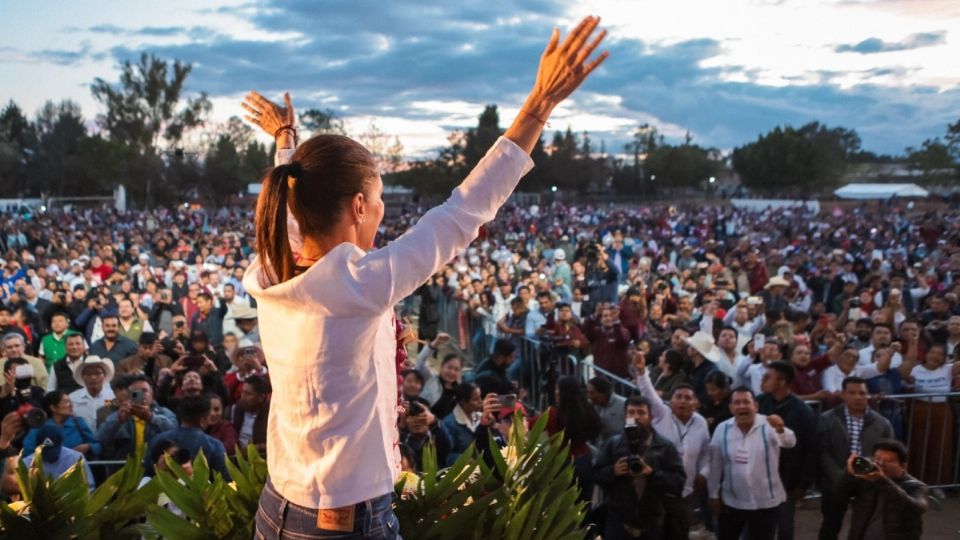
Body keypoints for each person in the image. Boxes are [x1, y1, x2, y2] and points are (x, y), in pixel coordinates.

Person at [242, 18, 607, 539]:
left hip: (278, 509)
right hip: (346, 524)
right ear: (359, 205)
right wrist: (539, 103)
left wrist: (286, 144)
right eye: (381, 199)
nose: (383, 214)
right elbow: (465, 210)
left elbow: (291, 216)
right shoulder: (361, 284)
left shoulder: (275, 269)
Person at [634, 353, 711, 538]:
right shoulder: (662, 413)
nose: (683, 401)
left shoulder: (701, 423)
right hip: (657, 489)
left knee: (679, 532)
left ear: (695, 403)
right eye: (679, 397)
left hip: (685, 493)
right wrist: (641, 372)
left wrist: (703, 473)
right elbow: (649, 394)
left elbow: (706, 454)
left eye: (688, 398)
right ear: (671, 400)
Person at [707, 387, 796, 540]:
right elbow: (715, 465)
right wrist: (713, 494)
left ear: (755, 406)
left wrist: (781, 429)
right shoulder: (722, 429)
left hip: (766, 501)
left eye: (746, 402)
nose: (742, 406)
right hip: (733, 501)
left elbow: (790, 442)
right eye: (737, 403)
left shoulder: (770, 424)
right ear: (730, 408)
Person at [594, 395, 686, 539]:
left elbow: (678, 482)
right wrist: (613, 471)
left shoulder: (665, 447)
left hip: (653, 525)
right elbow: (596, 475)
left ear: (650, 417)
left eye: (641, 413)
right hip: (618, 523)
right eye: (631, 412)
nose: (636, 417)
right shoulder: (612, 445)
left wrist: (652, 474)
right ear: (625, 416)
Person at [817, 376, 894, 540]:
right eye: (852, 393)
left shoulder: (882, 423)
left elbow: (889, 453)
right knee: (831, 524)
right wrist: (838, 477)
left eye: (862, 393)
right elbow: (823, 451)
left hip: (868, 480)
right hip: (836, 479)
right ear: (843, 395)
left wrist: (873, 474)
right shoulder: (827, 419)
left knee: (863, 524)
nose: (858, 397)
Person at [755, 360, 818, 540]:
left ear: (782, 381)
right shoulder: (758, 403)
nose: (763, 380)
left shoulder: (802, 411)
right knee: (757, 524)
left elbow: (811, 449)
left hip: (787, 479)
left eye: (768, 377)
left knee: (784, 525)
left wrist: (804, 483)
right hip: (759, 476)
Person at [845, 439, 929, 540]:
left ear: (903, 466)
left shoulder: (915, 486)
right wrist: (848, 473)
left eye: (888, 460)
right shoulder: (866, 480)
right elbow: (837, 496)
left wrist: (881, 480)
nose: (881, 463)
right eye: (877, 458)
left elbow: (916, 509)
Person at [534, 376, 601, 501]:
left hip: (563, 463)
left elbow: (528, 425)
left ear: (560, 392)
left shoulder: (554, 414)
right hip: (586, 459)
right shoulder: (587, 409)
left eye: (556, 389)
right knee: (584, 503)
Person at [149, 395, 230, 480]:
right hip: (202, 492)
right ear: (203, 420)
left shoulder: (157, 439)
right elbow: (225, 481)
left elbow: (147, 473)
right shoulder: (215, 446)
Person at [96, 375, 177, 460]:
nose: (140, 394)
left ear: (152, 395)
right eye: (135, 392)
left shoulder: (164, 413)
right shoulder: (119, 414)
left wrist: (151, 417)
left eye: (144, 391)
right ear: (129, 395)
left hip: (155, 468)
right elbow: (100, 438)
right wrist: (117, 421)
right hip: (124, 469)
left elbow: (175, 432)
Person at [22, 390, 101, 458]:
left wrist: (87, 447)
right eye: (66, 402)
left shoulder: (78, 423)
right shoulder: (40, 427)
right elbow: (28, 451)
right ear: (53, 407)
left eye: (70, 402)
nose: (71, 405)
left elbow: (97, 446)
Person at [21, 423, 95, 491]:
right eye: (45, 451)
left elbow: (89, 487)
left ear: (61, 444)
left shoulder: (76, 459)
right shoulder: (27, 464)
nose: (50, 456)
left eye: (52, 450)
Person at [414, 333, 464, 419]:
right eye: (449, 367)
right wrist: (436, 343)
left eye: (456, 370)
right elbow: (420, 361)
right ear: (441, 367)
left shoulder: (461, 392)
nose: (452, 372)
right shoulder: (430, 379)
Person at [440, 382, 486, 465]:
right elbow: (447, 455)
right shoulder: (449, 423)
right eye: (475, 399)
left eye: (480, 397)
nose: (480, 402)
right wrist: (465, 459)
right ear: (463, 402)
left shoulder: (480, 417)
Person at [67, 355, 116, 430]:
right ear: (82, 376)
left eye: (97, 373)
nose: (93, 377)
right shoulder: (72, 398)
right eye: (88, 374)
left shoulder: (112, 397)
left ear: (104, 375)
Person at [230, 374, 270, 455]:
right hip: (238, 455)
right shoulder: (237, 408)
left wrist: (257, 447)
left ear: (261, 397)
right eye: (243, 392)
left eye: (248, 394)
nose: (243, 397)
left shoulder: (272, 412)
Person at [586, 375, 625, 444]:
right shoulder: (590, 405)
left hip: (619, 445)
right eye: (588, 392)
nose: (589, 396)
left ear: (604, 393)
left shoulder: (623, 404)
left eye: (592, 393)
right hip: (601, 445)